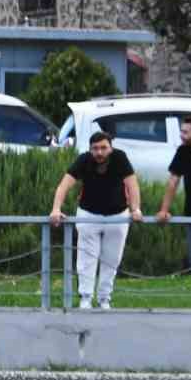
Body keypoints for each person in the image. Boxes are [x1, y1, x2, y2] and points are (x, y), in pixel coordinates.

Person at [50, 130, 142, 309]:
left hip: (118, 216)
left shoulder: (120, 158)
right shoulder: (84, 160)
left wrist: (136, 209)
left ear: (111, 148)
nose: (99, 152)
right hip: (88, 215)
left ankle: (104, 298)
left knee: (112, 259)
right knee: (86, 258)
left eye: (103, 148)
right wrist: (56, 209)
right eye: (95, 148)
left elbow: (132, 184)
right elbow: (64, 185)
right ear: (90, 149)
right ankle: (85, 298)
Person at [156, 114, 191, 285]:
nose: (181, 135)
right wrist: (164, 210)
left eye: (185, 132)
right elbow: (173, 181)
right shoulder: (183, 151)